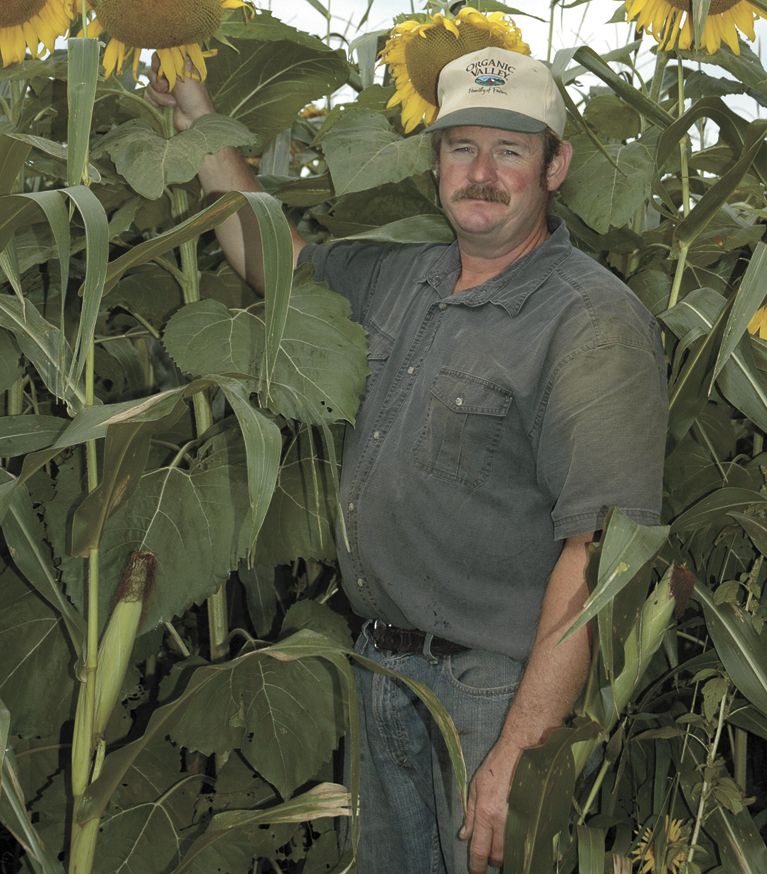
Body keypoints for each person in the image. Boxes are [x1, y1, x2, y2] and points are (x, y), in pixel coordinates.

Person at [147, 46, 668, 874]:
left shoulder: (590, 323)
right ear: (436, 164)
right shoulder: (401, 278)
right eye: (462, 147)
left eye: (511, 150)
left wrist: (518, 757)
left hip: (495, 696)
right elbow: (265, 254)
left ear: (556, 165)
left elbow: (601, 555)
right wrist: (196, 114)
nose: (483, 173)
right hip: (382, 674)